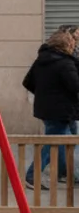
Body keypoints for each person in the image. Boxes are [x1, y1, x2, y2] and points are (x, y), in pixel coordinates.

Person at [22, 28, 79, 189]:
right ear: (66, 45)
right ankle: (32, 175)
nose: (74, 46)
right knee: (52, 142)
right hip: (61, 110)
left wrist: (44, 96)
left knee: (63, 141)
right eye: (72, 43)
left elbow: (27, 81)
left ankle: (64, 173)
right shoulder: (65, 63)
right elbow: (75, 86)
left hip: (48, 109)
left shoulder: (42, 60)